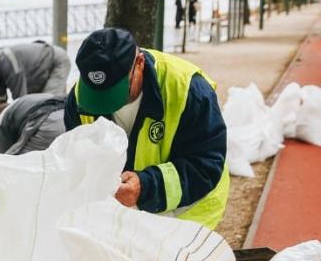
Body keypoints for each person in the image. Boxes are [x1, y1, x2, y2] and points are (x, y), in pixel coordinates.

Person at [64, 27, 229, 230]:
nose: (108, 106)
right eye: (99, 97)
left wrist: (145, 186)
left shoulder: (189, 90)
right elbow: (76, 160)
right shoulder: (80, 98)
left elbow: (205, 165)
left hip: (187, 209)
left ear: (139, 63)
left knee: (166, 260)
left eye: (116, 92)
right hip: (122, 211)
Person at [0, 41, 71, 107]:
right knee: (37, 106)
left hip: (56, 63)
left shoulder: (10, 66)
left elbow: (21, 102)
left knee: (48, 105)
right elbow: (0, 105)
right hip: (39, 72)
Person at [0, 93, 67, 155]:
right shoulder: (22, 102)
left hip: (48, 122)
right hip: (69, 118)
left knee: (15, 163)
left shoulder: (1, 119)